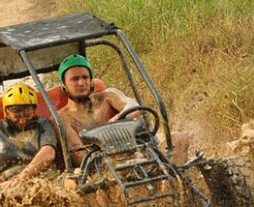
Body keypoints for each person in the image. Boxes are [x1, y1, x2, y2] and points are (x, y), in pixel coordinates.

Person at [56, 54, 190, 167]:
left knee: (179, 139)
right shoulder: (62, 117)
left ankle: (171, 188)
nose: (81, 83)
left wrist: (119, 117)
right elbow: (80, 156)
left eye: (85, 77)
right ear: (63, 84)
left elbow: (133, 105)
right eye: (75, 79)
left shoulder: (108, 96)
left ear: (91, 80)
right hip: (103, 167)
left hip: (141, 153)